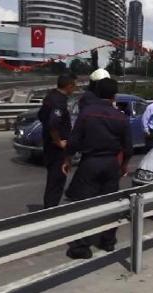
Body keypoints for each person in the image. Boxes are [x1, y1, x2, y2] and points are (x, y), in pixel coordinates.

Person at [62, 78, 133, 259]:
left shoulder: (87, 113)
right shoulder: (121, 117)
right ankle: (108, 241)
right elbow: (128, 148)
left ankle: (81, 247)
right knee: (110, 204)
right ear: (114, 95)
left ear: (97, 92)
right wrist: (123, 165)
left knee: (84, 205)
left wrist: (68, 159)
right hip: (111, 165)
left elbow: (74, 140)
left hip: (91, 163)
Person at [37, 73, 76, 209]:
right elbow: (53, 124)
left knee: (52, 179)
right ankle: (51, 210)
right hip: (56, 148)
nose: (74, 89)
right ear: (69, 86)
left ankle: (49, 207)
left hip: (48, 145)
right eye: (73, 86)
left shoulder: (50, 97)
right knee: (57, 180)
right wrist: (58, 141)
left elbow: (41, 116)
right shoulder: (59, 101)